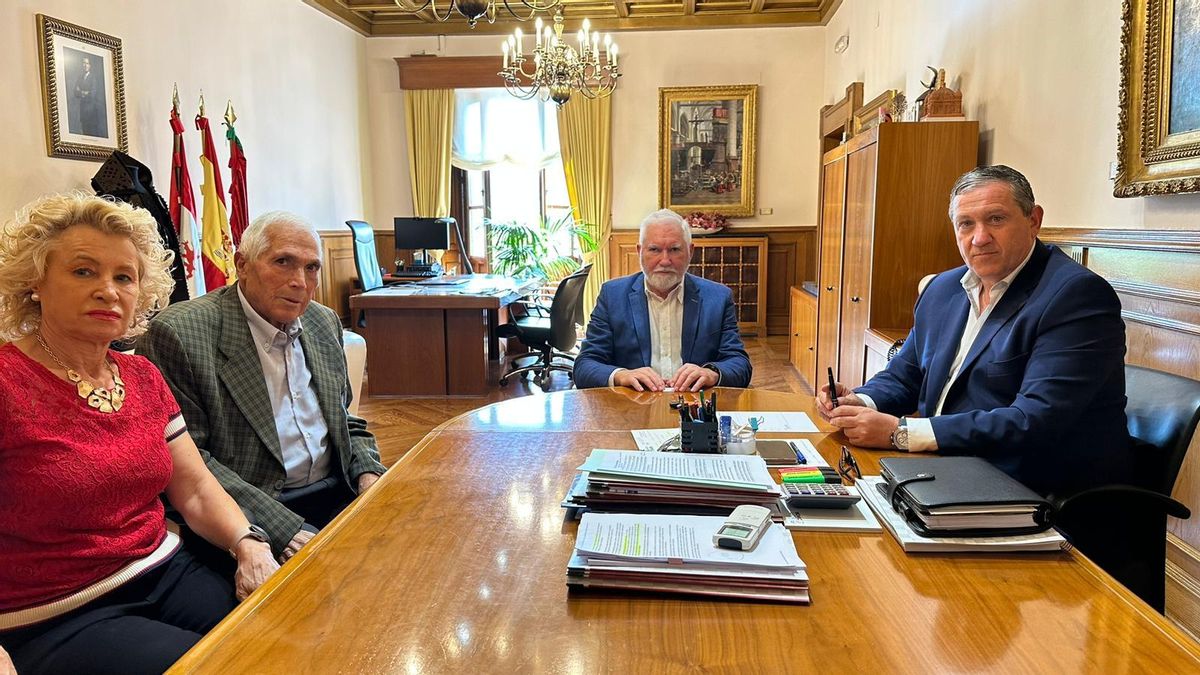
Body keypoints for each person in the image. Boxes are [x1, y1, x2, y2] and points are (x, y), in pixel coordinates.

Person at [0, 193, 278, 674]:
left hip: (166, 569)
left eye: (124, 277)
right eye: (84, 271)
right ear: (35, 283)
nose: (108, 290)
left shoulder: (142, 375)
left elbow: (193, 488)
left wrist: (247, 543)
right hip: (59, 613)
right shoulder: (7, 383)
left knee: (285, 636)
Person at [817, 165, 1131, 496]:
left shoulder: (1075, 295)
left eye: (996, 219)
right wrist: (860, 403)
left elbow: (1034, 420)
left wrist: (901, 432)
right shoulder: (943, 288)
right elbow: (904, 377)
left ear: (1033, 220)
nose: (979, 238)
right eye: (966, 224)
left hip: (1032, 489)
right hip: (943, 471)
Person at [137, 211, 386, 564]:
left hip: (338, 489)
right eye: (283, 262)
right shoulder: (180, 333)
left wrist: (369, 474)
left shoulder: (322, 321)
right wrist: (282, 529)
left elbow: (344, 420)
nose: (300, 281)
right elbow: (191, 463)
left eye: (312, 267)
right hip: (250, 510)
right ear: (242, 264)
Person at [574, 208, 752, 391]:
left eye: (674, 250)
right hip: (633, 408)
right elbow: (585, 366)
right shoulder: (612, 296)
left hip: (694, 407)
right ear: (640, 251)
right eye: (654, 250)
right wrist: (622, 375)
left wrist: (712, 373)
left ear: (690, 252)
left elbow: (739, 364)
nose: (665, 260)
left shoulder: (718, 298)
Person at [72, 56, 103, 137]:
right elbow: (75, 92)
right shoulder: (80, 78)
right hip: (83, 110)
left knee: (92, 134)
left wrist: (81, 91)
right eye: (84, 63)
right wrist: (84, 92)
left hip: (91, 111)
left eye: (87, 63)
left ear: (90, 65)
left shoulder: (93, 77)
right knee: (84, 132)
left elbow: (92, 93)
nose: (85, 65)